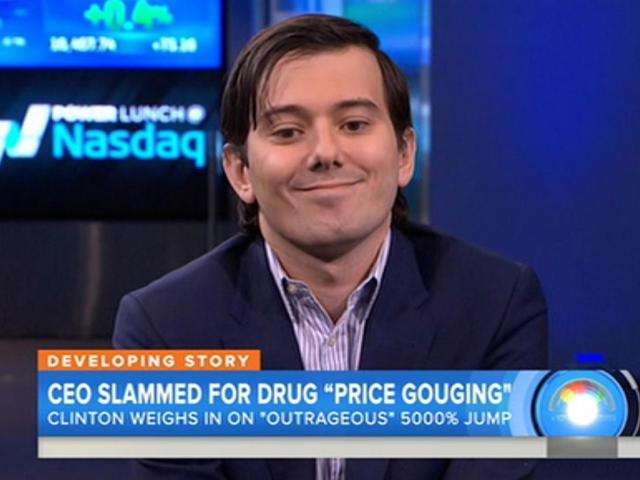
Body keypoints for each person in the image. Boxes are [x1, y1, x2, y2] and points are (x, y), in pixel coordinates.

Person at [114, 13, 548, 480]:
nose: (325, 152)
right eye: (288, 131)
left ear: (404, 154)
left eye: (354, 124)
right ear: (241, 171)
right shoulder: (166, 326)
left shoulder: (496, 304)